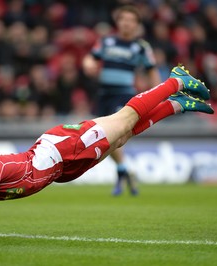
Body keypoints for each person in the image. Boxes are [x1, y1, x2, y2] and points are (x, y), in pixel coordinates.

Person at [0, 65, 213, 245]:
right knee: (121, 138)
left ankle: (175, 80)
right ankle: (178, 104)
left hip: (61, 146)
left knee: (124, 118)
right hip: (61, 171)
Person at [83, 5, 161, 196]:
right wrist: (89, 65)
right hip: (103, 95)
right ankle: (124, 170)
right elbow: (90, 59)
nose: (126, 23)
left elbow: (152, 70)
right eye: (123, 19)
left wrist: (158, 94)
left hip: (124, 95)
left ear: (136, 25)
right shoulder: (106, 41)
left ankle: (122, 170)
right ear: (117, 22)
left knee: (114, 135)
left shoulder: (141, 47)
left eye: (130, 20)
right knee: (104, 138)